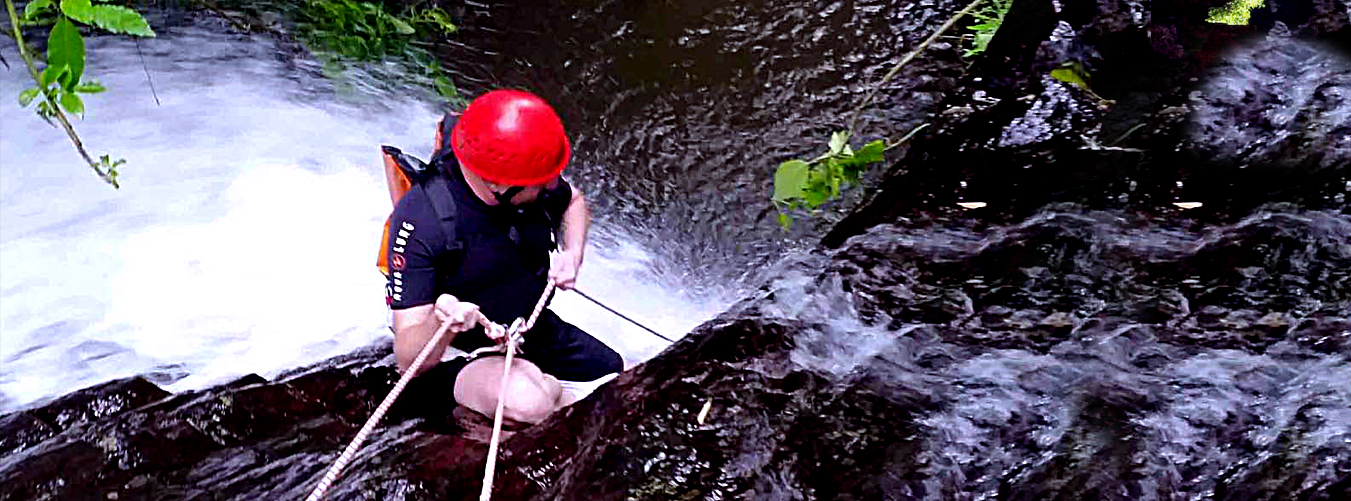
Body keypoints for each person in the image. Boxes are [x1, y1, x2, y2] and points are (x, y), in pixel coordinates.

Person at [385, 89, 623, 424]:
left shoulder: (526, 178)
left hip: (526, 326)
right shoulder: (422, 221)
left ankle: (547, 384)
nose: (552, 184)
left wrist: (573, 254)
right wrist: (444, 323)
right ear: (497, 183)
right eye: (541, 182)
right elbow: (407, 359)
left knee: (617, 375)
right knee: (530, 405)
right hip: (458, 350)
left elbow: (573, 203)